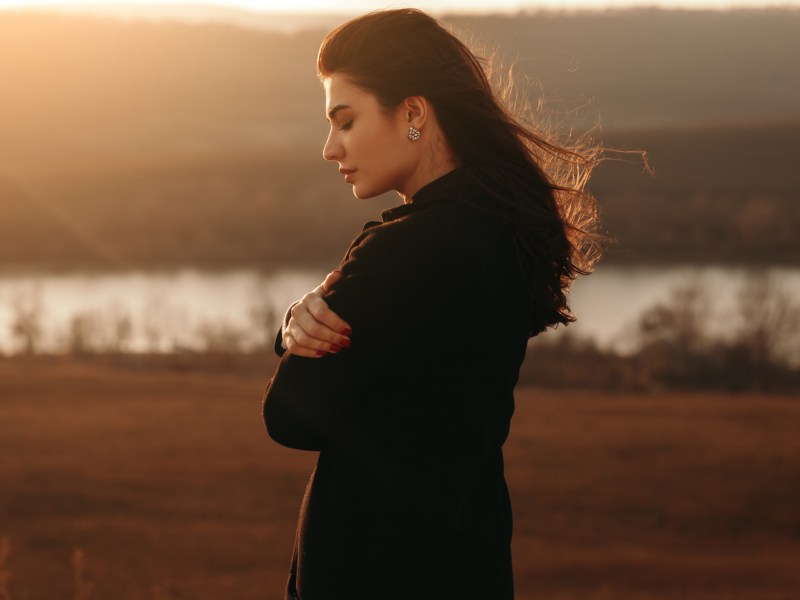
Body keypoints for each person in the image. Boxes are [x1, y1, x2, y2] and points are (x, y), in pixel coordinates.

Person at [262, 8, 602, 600]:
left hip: (373, 570)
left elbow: (290, 415)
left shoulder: (401, 250)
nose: (328, 148)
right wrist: (301, 319)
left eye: (345, 121)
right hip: (472, 561)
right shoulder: (507, 231)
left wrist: (295, 328)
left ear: (413, 113)